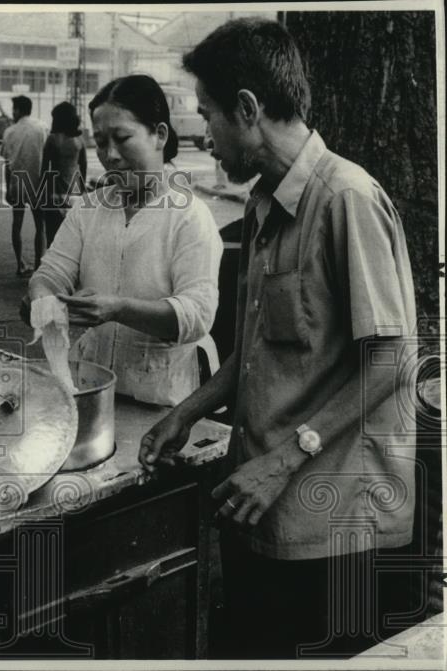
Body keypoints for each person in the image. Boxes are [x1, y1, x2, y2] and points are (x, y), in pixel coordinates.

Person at [139, 18, 418, 658]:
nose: (202, 136)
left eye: (207, 115)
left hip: (337, 535)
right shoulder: (264, 206)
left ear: (247, 109)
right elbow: (262, 349)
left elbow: (393, 362)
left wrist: (289, 457)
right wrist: (186, 411)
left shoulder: (346, 199)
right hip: (264, 514)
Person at [27, 75, 223, 408]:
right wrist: (43, 300)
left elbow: (196, 316)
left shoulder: (188, 216)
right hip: (91, 387)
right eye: (101, 142)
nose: (110, 155)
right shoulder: (88, 209)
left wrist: (117, 309)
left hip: (163, 400)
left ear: (159, 135)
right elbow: (51, 272)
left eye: (122, 138)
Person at [0, 95, 48, 275]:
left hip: (17, 182)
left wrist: (7, 187)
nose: (12, 112)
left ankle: (19, 264)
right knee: (40, 226)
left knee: (17, 224)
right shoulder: (42, 128)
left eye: (14, 109)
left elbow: (6, 163)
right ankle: (38, 265)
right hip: (38, 182)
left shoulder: (10, 131)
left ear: (18, 110)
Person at [41, 101, 88, 246]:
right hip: (74, 194)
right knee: (73, 239)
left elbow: (44, 169)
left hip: (55, 194)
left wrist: (41, 193)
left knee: (53, 239)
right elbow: (83, 166)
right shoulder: (79, 139)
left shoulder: (52, 139)